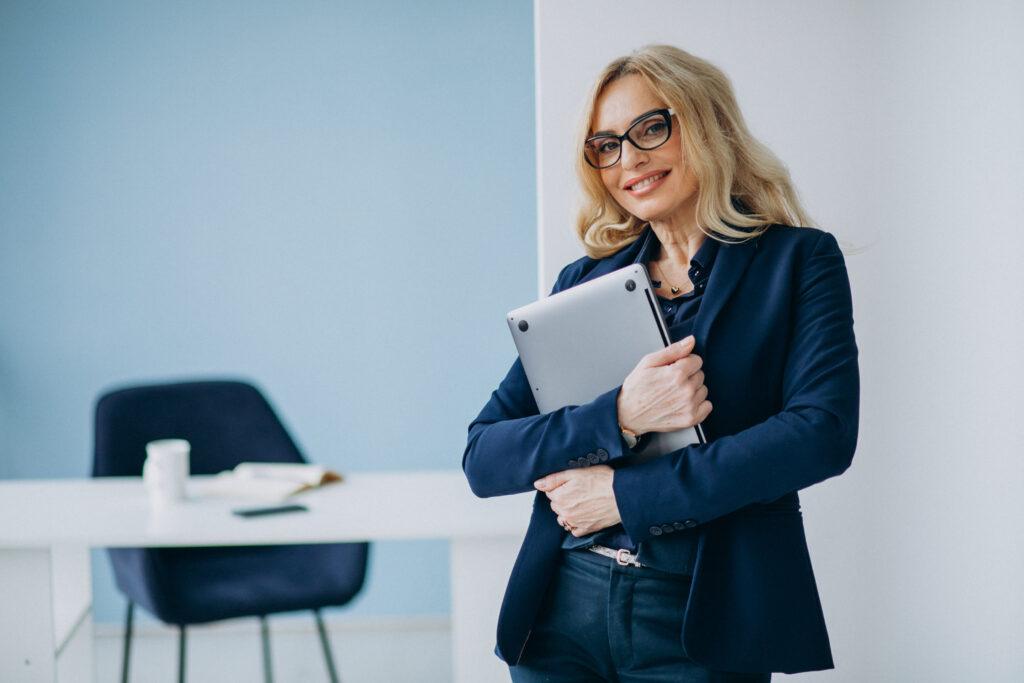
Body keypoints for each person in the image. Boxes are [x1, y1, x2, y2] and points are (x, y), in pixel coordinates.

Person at [463, 44, 858, 682]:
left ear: (706, 125)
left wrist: (623, 495)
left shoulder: (799, 261)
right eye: (606, 145)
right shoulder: (585, 281)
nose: (631, 160)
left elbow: (820, 435)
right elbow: (485, 456)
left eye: (652, 127)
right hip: (559, 612)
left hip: (704, 619)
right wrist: (619, 416)